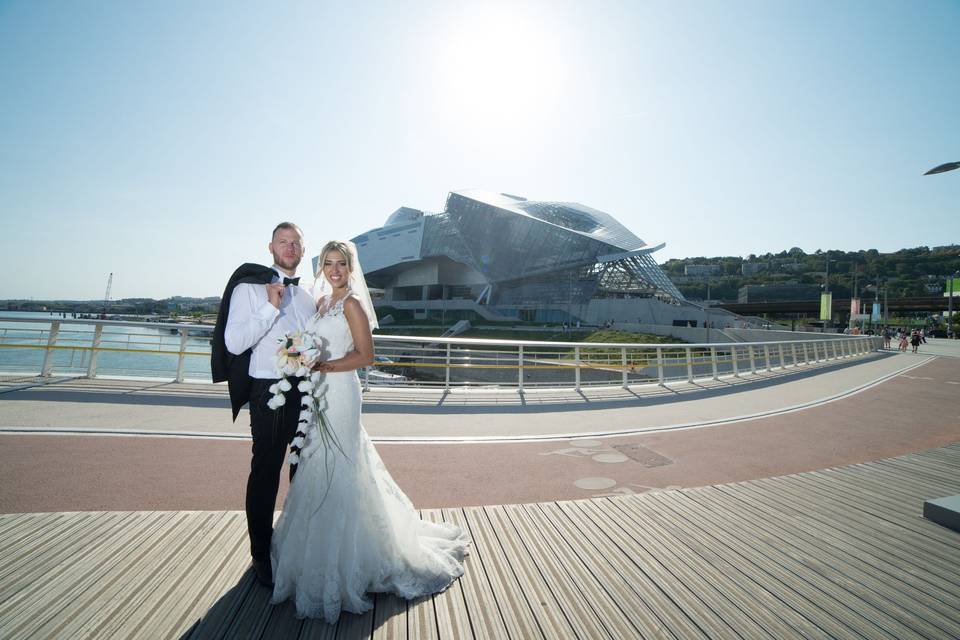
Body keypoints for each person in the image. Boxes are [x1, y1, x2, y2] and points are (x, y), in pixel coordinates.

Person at [270, 240, 470, 623]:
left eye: (341, 264)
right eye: (328, 263)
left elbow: (366, 355)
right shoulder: (323, 302)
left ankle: (351, 561)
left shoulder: (352, 305)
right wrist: (298, 355)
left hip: (341, 391)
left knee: (341, 463)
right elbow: (310, 344)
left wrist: (325, 366)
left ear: (350, 267)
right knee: (316, 462)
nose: (334, 270)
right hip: (319, 392)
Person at [212, 222, 316, 588]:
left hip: (306, 391)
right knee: (266, 472)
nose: (289, 248)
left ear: (303, 250)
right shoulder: (248, 288)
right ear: (270, 247)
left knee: (304, 473)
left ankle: (297, 544)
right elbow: (235, 342)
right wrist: (270, 308)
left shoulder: (307, 296)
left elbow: (310, 343)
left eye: (295, 243)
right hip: (268, 390)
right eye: (283, 242)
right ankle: (261, 554)